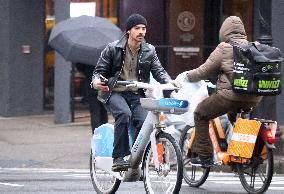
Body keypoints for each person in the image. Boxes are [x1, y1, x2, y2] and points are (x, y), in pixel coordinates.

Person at [92, 13, 173, 171]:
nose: (141, 31)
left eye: (144, 28)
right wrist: (96, 82)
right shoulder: (113, 48)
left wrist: (171, 82)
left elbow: (159, 71)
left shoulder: (150, 50)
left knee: (144, 122)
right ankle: (119, 157)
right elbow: (99, 72)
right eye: (137, 28)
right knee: (124, 114)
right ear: (129, 31)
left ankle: (136, 159)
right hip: (114, 92)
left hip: (136, 94)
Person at [184, 16, 262, 167]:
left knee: (200, 113)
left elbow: (203, 71)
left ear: (224, 32)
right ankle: (240, 155)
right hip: (254, 97)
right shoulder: (253, 47)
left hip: (229, 96)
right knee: (235, 118)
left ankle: (205, 157)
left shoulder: (224, 48)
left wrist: (187, 77)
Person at [76, 63, 108, 134]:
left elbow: (80, 67)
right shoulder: (105, 55)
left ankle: (96, 134)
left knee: (95, 112)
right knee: (103, 111)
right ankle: (104, 133)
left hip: (92, 86)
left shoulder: (88, 56)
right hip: (103, 86)